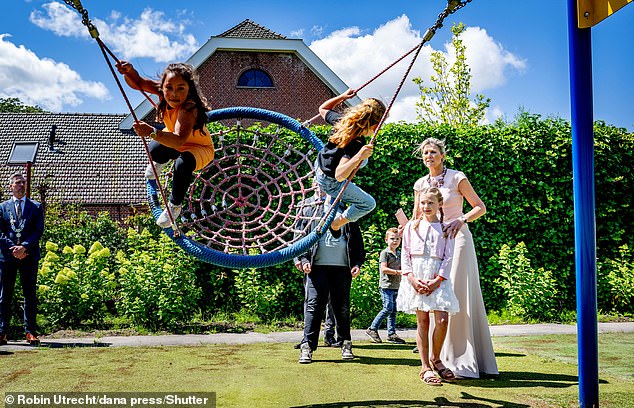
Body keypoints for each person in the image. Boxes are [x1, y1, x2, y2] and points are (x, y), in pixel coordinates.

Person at [412, 137, 499, 379]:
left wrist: (461, 220)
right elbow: (416, 219)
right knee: (432, 299)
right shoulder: (420, 184)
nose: (429, 156)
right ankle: (433, 359)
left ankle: (461, 359)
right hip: (432, 245)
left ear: (442, 155)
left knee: (457, 295)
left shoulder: (457, 177)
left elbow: (479, 207)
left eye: (433, 152)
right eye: (425, 153)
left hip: (457, 239)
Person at [116, 60, 214, 228]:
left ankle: (174, 206)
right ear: (163, 86)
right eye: (169, 88)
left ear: (189, 89)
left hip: (198, 149)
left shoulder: (188, 108)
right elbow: (138, 83)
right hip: (175, 140)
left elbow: (179, 140)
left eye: (180, 89)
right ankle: (160, 162)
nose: (173, 94)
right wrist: (129, 71)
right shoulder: (164, 92)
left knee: (182, 164)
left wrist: (151, 132)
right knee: (154, 149)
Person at [397, 187, 459, 385]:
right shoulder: (411, 227)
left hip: (437, 278)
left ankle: (436, 359)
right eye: (423, 203)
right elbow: (405, 254)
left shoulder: (446, 228)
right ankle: (425, 367)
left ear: (439, 204)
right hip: (416, 276)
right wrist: (412, 279)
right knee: (422, 321)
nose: (426, 206)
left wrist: (437, 280)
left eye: (430, 203)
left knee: (441, 320)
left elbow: (448, 257)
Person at [295, 202, 366, 364]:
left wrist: (356, 263)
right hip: (317, 268)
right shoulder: (312, 211)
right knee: (313, 306)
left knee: (341, 308)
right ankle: (307, 346)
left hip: (342, 269)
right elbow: (304, 238)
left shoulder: (349, 212)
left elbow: (357, 242)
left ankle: (345, 343)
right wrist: (304, 259)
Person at [315, 89, 385, 235]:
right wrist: (358, 156)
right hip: (331, 181)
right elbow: (339, 175)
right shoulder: (356, 143)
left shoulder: (344, 122)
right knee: (368, 204)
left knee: (363, 161)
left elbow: (323, 109)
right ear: (374, 126)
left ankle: (332, 194)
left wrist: (341, 97)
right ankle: (336, 223)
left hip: (320, 165)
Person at [0, 173, 45, 346]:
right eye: (17, 183)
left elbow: (38, 231)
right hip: (7, 256)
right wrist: (13, 248)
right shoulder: (3, 207)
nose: (21, 185)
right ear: (10, 186)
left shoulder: (35, 207)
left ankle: (30, 332)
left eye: (23, 183)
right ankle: (2, 332)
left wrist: (24, 247)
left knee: (30, 295)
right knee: (5, 296)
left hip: (29, 256)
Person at [293, 185, 340, 348]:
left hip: (332, 259)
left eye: (323, 185)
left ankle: (329, 335)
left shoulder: (335, 204)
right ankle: (307, 338)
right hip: (311, 259)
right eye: (317, 185)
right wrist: (298, 258)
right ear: (313, 186)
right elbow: (298, 234)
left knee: (332, 301)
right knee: (310, 300)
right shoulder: (303, 205)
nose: (320, 188)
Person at [366, 227, 406, 344]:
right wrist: (398, 272)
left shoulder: (399, 253)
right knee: (387, 308)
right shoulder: (385, 253)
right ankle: (372, 329)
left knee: (393, 311)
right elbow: (384, 268)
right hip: (386, 286)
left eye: (398, 239)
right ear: (386, 240)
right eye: (392, 238)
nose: (395, 241)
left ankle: (391, 334)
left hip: (396, 285)